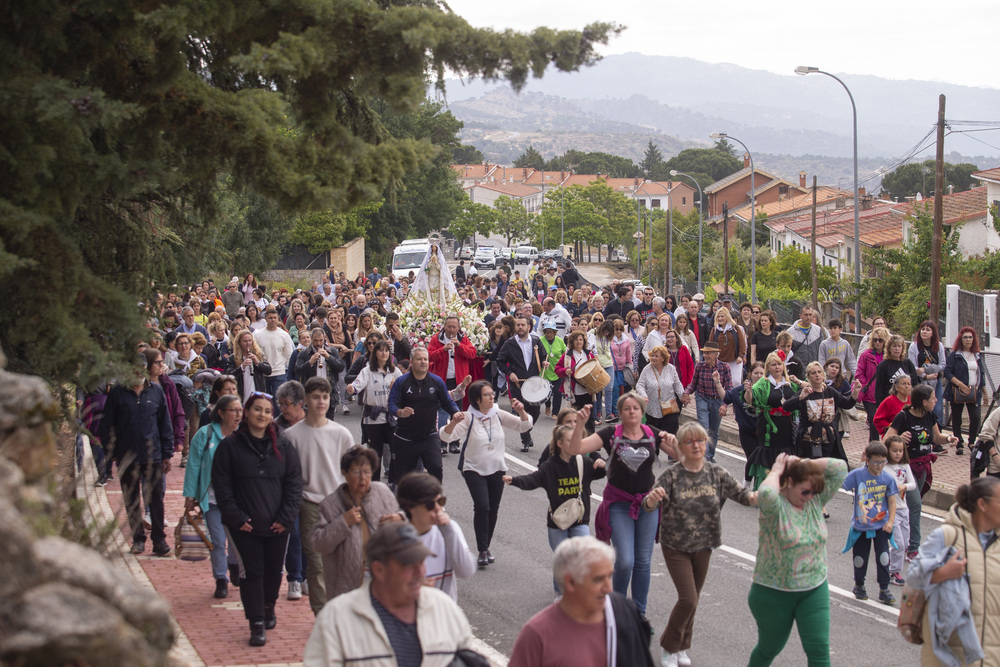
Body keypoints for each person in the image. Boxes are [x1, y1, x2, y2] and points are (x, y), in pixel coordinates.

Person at [644, 422, 757, 667]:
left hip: (705, 544)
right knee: (688, 599)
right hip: (676, 545)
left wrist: (762, 494)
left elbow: (744, 496)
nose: (696, 445)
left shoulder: (716, 474)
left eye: (700, 440)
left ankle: (682, 645)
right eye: (690, 441)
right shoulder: (672, 475)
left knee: (693, 598)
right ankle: (669, 646)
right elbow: (648, 503)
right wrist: (652, 500)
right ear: (681, 447)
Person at [303, 521, 477, 667]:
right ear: (379, 570)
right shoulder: (335, 619)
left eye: (421, 562)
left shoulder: (445, 609)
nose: (420, 572)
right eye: (408, 565)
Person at [566, 397, 681, 617]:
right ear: (620, 412)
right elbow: (576, 449)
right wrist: (580, 423)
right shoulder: (610, 434)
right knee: (626, 560)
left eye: (635, 408)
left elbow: (681, 457)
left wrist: (675, 442)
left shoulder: (651, 433)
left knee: (642, 562)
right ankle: (615, 611)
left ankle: (638, 615)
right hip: (619, 504)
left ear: (642, 411)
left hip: (648, 504)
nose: (631, 412)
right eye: (626, 408)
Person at [211, 392, 302, 647]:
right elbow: (222, 485)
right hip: (244, 526)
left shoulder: (283, 446)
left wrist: (286, 517)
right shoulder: (230, 446)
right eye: (257, 410)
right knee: (252, 572)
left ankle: (268, 605)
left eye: (266, 411)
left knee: (274, 571)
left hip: (278, 524)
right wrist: (236, 517)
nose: (262, 415)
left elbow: (294, 483)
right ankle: (256, 622)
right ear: (247, 413)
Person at [747, 453, 848, 667]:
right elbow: (765, 491)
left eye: (814, 491)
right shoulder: (774, 507)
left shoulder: (814, 501)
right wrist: (777, 470)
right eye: (805, 491)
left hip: (814, 587)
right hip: (773, 591)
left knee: (819, 650)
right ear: (789, 482)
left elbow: (840, 467)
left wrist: (804, 464)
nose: (810, 496)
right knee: (769, 648)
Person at [508, 536, 655, 667]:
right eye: (598, 579)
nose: (609, 588)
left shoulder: (624, 613)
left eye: (609, 576)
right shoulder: (537, 635)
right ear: (571, 582)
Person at [906, 477, 1000, 667]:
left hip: (992, 654)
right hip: (949, 654)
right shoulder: (948, 535)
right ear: (982, 504)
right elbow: (913, 576)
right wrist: (942, 573)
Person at [283, 377, 356, 615]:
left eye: (325, 397)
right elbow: (287, 474)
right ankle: (322, 615)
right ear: (305, 401)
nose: (321, 401)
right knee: (316, 564)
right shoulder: (292, 436)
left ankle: (340, 612)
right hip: (309, 504)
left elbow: (353, 472)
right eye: (315, 397)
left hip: (339, 504)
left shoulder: (342, 434)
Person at [504, 423, 606, 588]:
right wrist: (514, 480)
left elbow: (602, 471)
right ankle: (560, 593)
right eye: (569, 440)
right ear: (559, 444)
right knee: (563, 558)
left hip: (580, 519)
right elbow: (533, 480)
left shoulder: (583, 462)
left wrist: (603, 464)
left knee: (583, 553)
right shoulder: (549, 467)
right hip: (558, 521)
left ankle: (579, 590)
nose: (574, 444)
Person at [441, 380, 532, 566]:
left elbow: (524, 426)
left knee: (493, 509)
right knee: (482, 506)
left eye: (492, 393)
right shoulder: (467, 417)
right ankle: (482, 549)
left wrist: (522, 411)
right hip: (473, 468)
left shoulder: (497, 413)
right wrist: (452, 423)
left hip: (497, 469)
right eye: (487, 395)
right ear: (476, 399)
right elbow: (445, 436)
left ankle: (485, 547)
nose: (492, 397)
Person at [100, 356, 175, 556]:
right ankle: (138, 539)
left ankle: (159, 540)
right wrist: (113, 452)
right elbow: (107, 425)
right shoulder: (117, 393)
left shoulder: (156, 391)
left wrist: (168, 453)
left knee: (156, 498)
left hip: (154, 456)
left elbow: (164, 423)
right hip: (127, 455)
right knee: (131, 499)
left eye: (142, 368)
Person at [307, 446, 401, 600]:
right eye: (357, 472)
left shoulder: (382, 492)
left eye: (368, 472)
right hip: (346, 586)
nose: (363, 478)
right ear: (345, 473)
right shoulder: (331, 504)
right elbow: (318, 543)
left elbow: (402, 518)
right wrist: (343, 522)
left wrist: (400, 519)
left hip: (382, 581)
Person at [884, 384, 960, 561]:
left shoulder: (930, 416)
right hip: (906, 467)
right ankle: (913, 548)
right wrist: (900, 439)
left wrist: (949, 439)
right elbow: (887, 438)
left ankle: (899, 539)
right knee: (916, 505)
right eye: (933, 398)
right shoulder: (903, 417)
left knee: (908, 507)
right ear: (924, 401)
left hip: (923, 466)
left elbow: (936, 437)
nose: (936, 400)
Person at [183, 394, 242, 599]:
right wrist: (190, 495)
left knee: (237, 539)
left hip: (238, 500)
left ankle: (234, 564)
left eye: (240, 410)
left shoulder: (244, 434)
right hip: (213, 499)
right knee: (217, 540)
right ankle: (220, 579)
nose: (238, 415)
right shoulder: (205, 434)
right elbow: (193, 465)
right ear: (220, 413)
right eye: (233, 410)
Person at [395, 472, 477, 601]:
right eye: (430, 505)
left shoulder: (450, 529)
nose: (438, 508)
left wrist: (448, 531)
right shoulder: (394, 538)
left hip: (443, 617)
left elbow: (466, 571)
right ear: (410, 507)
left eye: (441, 501)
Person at [388, 347, 461, 482]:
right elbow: (392, 404)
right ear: (411, 362)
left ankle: (434, 499)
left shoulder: (437, 381)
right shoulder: (402, 382)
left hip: (429, 436)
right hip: (405, 438)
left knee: (436, 467)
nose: (423, 362)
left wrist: (455, 412)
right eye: (419, 359)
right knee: (403, 478)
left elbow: (448, 402)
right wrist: (400, 412)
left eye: (425, 359)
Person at [840, 440, 898, 604]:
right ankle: (859, 585)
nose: (879, 466)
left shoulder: (887, 478)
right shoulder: (858, 475)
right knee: (860, 557)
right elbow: (840, 484)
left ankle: (884, 588)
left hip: (881, 525)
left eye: (883, 462)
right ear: (868, 460)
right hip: (861, 525)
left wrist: (891, 522)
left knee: (884, 557)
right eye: (876, 462)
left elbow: (892, 502)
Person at [783, 361, 862, 462]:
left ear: (823, 374)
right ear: (808, 376)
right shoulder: (805, 392)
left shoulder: (830, 392)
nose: (817, 375)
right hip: (808, 439)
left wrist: (856, 392)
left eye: (819, 372)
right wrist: (800, 397)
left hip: (828, 438)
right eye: (813, 373)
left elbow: (847, 404)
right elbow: (786, 407)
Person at [347, 340, 401, 483]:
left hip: (392, 417)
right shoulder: (367, 371)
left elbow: (404, 387)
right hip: (373, 417)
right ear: (375, 353)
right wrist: (352, 389)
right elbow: (357, 385)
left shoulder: (395, 371)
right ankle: (374, 484)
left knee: (396, 450)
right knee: (375, 453)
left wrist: (397, 387)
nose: (384, 353)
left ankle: (394, 481)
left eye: (386, 350)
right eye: (380, 350)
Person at [746, 352, 800, 490]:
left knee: (786, 454)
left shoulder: (790, 384)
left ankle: (784, 489)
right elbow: (751, 400)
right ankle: (764, 490)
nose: (777, 367)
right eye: (773, 364)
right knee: (768, 454)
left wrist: (800, 383)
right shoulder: (763, 383)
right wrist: (748, 392)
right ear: (768, 367)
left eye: (779, 364)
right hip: (768, 427)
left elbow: (803, 393)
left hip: (786, 426)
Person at [427, 315, 477, 454]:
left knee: (457, 412)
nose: (451, 330)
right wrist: (442, 350)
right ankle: (442, 442)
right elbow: (429, 355)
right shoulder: (437, 339)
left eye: (454, 327)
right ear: (444, 326)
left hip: (458, 381)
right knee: (442, 412)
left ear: (458, 327)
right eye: (449, 326)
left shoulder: (463, 339)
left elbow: (472, 354)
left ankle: (455, 442)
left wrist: (459, 346)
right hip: (441, 381)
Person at [495, 314, 546, 452]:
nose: (520, 327)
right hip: (517, 382)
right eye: (518, 325)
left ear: (529, 327)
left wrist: (544, 363)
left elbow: (543, 356)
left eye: (523, 325)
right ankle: (525, 439)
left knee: (535, 411)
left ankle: (526, 432)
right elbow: (500, 361)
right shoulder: (510, 343)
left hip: (533, 382)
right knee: (521, 410)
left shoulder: (536, 341)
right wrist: (510, 373)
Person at [683, 342, 730, 462]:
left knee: (714, 431)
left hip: (718, 400)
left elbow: (729, 389)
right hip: (702, 398)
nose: (706, 356)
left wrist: (725, 405)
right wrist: (686, 393)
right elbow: (693, 384)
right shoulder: (699, 366)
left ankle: (710, 455)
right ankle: (705, 456)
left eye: (708, 353)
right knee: (704, 427)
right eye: (704, 353)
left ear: (716, 354)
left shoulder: (725, 367)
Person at [944, 326, 986, 456]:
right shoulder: (955, 355)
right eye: (965, 337)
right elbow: (947, 372)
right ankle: (959, 442)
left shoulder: (977, 355)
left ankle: (972, 441)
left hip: (974, 391)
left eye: (970, 337)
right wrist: (960, 384)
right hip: (958, 391)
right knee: (957, 417)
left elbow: (981, 373)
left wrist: (984, 392)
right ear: (960, 339)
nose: (968, 340)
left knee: (975, 416)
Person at [883, 435, 915, 587]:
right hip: (890, 510)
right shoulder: (883, 466)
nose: (897, 454)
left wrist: (905, 486)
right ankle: (894, 571)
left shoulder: (905, 466)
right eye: (894, 450)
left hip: (904, 508)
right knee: (899, 543)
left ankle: (887, 559)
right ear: (887, 451)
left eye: (900, 451)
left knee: (905, 541)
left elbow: (912, 484)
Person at [726, 361, 765, 483]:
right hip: (747, 430)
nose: (758, 376)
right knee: (753, 457)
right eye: (756, 373)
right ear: (750, 374)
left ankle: (760, 485)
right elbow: (727, 397)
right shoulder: (741, 389)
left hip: (762, 430)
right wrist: (717, 384)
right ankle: (747, 481)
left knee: (763, 459)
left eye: (761, 373)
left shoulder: (768, 389)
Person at [295, 326, 346, 418]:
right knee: (312, 425)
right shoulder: (304, 353)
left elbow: (340, 367)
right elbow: (298, 371)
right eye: (315, 340)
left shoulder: (332, 351)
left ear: (324, 339)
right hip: (311, 393)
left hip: (329, 392)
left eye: (321, 340)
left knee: (328, 424)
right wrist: (310, 362)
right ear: (311, 339)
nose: (318, 343)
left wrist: (328, 357)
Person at [555, 331, 599, 434]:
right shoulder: (567, 355)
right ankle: (575, 439)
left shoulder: (589, 355)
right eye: (576, 340)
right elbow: (557, 369)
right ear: (572, 341)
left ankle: (590, 439)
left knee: (589, 417)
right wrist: (565, 371)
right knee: (575, 417)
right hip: (573, 391)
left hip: (587, 390)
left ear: (584, 341)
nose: (579, 342)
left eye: (581, 340)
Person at [634, 346, 684, 434]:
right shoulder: (647, 369)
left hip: (669, 408)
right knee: (653, 439)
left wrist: (682, 397)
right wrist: (644, 396)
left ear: (663, 358)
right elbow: (640, 385)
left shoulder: (671, 368)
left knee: (669, 439)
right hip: (652, 409)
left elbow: (677, 384)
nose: (653, 358)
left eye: (656, 356)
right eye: (652, 356)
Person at [908, 320, 947, 428]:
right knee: (921, 408)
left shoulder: (939, 346)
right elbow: (913, 366)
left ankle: (938, 434)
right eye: (923, 329)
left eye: (928, 330)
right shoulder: (914, 346)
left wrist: (926, 369)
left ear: (933, 332)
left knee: (937, 408)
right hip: (920, 383)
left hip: (935, 381)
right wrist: (924, 375)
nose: (924, 332)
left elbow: (942, 365)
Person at [253, 306, 295, 400]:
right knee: (263, 401)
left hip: (280, 372)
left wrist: (290, 374)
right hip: (263, 373)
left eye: (275, 318)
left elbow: (289, 355)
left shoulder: (284, 335)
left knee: (278, 401)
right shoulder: (258, 335)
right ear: (266, 319)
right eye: (270, 318)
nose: (273, 320)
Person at [855, 326, 888, 441]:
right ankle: (873, 448)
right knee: (874, 420)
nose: (877, 343)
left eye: (880, 340)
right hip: (870, 395)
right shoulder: (866, 355)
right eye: (875, 340)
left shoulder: (888, 357)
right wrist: (866, 387)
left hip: (885, 394)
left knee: (886, 423)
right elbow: (859, 373)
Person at [873, 334, 920, 409]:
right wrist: (879, 406)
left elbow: (914, 383)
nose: (897, 349)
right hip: (889, 402)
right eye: (894, 346)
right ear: (889, 348)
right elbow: (879, 388)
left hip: (906, 403)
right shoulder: (883, 365)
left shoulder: (908, 363)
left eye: (899, 346)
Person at [227, 330, 272, 404]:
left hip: (257, 392)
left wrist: (258, 363)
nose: (248, 343)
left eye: (250, 341)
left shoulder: (258, 355)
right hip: (241, 393)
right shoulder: (233, 358)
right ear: (239, 343)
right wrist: (242, 367)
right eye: (245, 341)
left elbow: (268, 370)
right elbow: (229, 375)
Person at [708, 307, 747, 385]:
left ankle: (735, 397)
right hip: (720, 362)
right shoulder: (714, 330)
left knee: (736, 382)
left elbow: (742, 343)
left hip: (735, 361)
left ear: (727, 316)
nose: (720, 318)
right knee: (721, 383)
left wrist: (741, 356)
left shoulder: (735, 328)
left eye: (722, 316)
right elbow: (710, 345)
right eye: (718, 317)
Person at [538, 321, 567, 418]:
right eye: (547, 332)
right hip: (545, 371)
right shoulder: (540, 340)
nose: (549, 334)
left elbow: (565, 354)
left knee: (558, 392)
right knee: (546, 393)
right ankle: (547, 405)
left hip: (558, 371)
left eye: (551, 332)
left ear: (555, 332)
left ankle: (555, 413)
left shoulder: (560, 341)